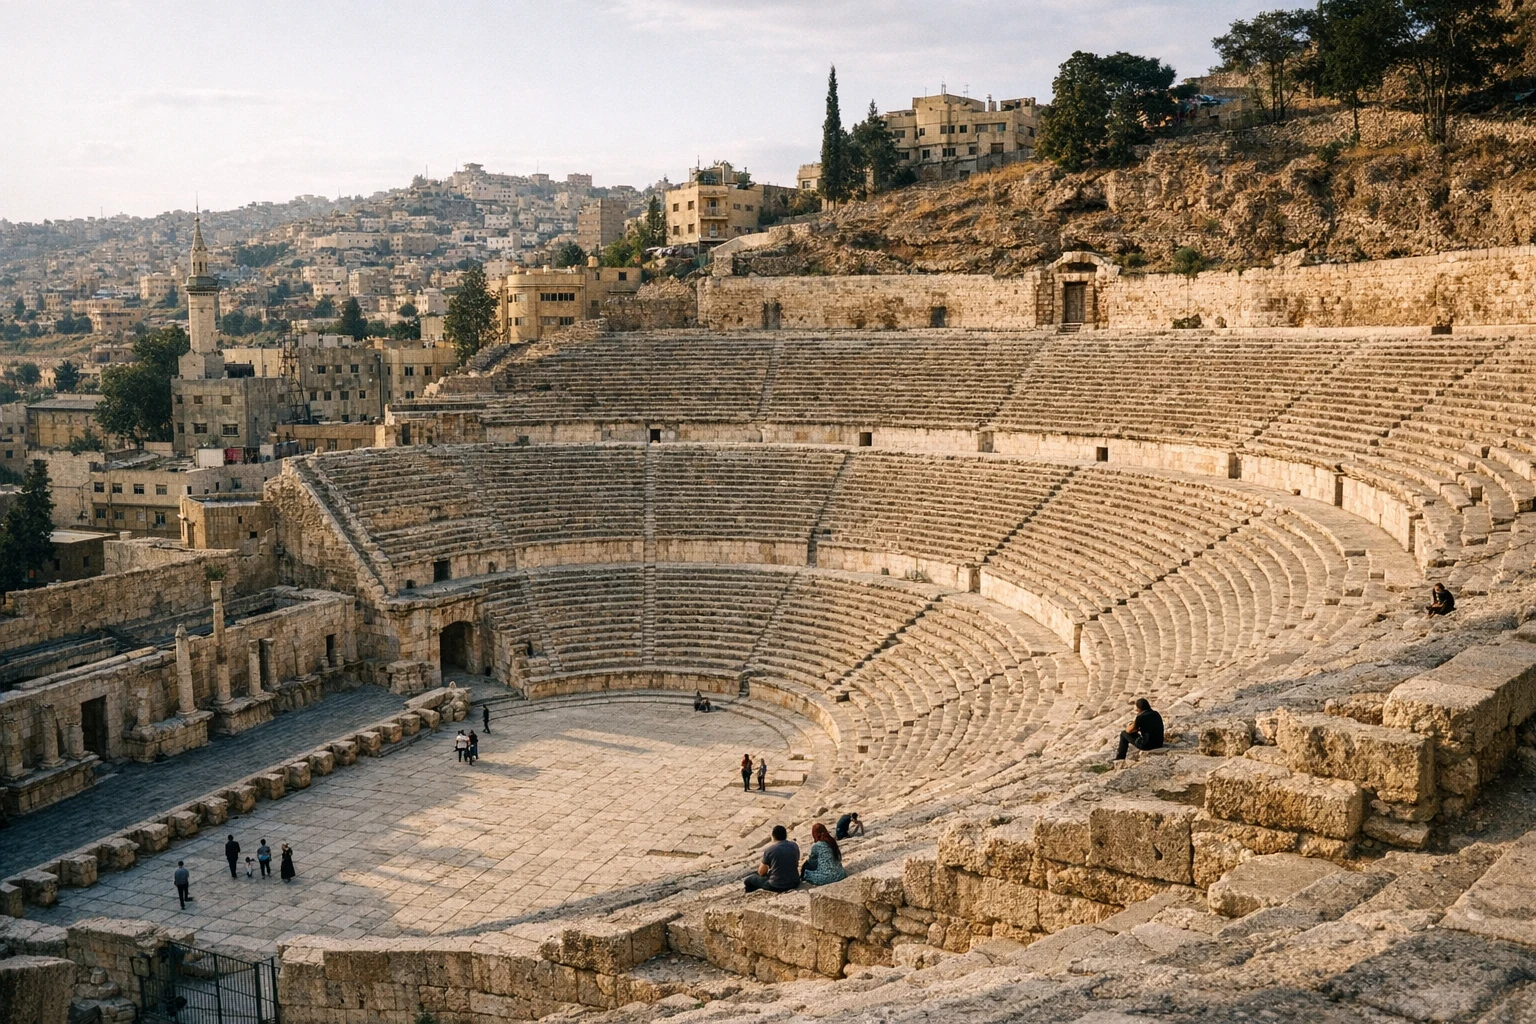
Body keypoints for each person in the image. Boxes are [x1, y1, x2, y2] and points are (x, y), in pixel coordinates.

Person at [744, 825, 800, 893]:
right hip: (795, 882)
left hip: (776, 885)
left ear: (773, 836)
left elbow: (761, 872)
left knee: (749, 880)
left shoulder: (770, 849)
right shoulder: (794, 845)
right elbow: (796, 862)